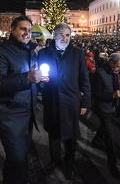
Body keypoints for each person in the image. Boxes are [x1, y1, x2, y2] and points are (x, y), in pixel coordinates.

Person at [0, 16, 42, 184]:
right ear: (12, 29)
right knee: (16, 159)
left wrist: (39, 81)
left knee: (23, 156)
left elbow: (30, 78)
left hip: (27, 113)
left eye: (29, 30)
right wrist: (27, 78)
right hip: (9, 115)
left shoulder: (30, 50)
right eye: (22, 29)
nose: (27, 33)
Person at [38, 23, 91, 180]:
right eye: (61, 34)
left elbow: (84, 79)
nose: (65, 38)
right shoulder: (43, 53)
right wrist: (41, 83)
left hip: (70, 102)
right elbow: (39, 77)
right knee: (53, 133)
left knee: (70, 135)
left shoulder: (77, 54)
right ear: (54, 35)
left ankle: (69, 162)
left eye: (68, 35)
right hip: (52, 100)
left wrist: (85, 102)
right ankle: (54, 159)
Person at [91, 53, 120, 180]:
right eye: (118, 66)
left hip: (112, 107)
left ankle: (95, 141)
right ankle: (113, 166)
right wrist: (113, 95)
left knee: (104, 126)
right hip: (103, 108)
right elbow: (95, 94)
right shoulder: (100, 73)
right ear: (111, 63)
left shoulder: (115, 72)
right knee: (110, 137)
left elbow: (116, 87)